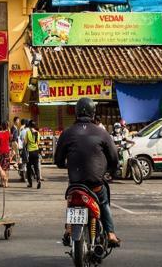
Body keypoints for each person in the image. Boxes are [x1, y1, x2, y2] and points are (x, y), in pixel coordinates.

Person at [54, 98, 120, 247]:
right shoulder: (102, 133)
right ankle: (110, 233)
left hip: (75, 184)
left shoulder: (67, 133)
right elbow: (114, 159)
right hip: (95, 185)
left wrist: (65, 164)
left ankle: (68, 230)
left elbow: (58, 160)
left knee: (71, 202)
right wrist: (111, 170)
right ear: (93, 113)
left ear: (76, 113)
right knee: (103, 203)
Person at [25, 120, 42, 189]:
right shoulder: (38, 133)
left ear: (29, 126)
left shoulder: (28, 132)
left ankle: (30, 183)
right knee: (36, 167)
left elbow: (25, 142)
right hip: (36, 152)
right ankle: (38, 180)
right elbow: (38, 142)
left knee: (28, 168)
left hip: (29, 152)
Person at [0, 121, 11, 188]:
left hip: (0, 152)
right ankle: (6, 183)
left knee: (1, 168)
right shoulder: (8, 133)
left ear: (1, 126)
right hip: (7, 152)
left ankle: (2, 182)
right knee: (6, 168)